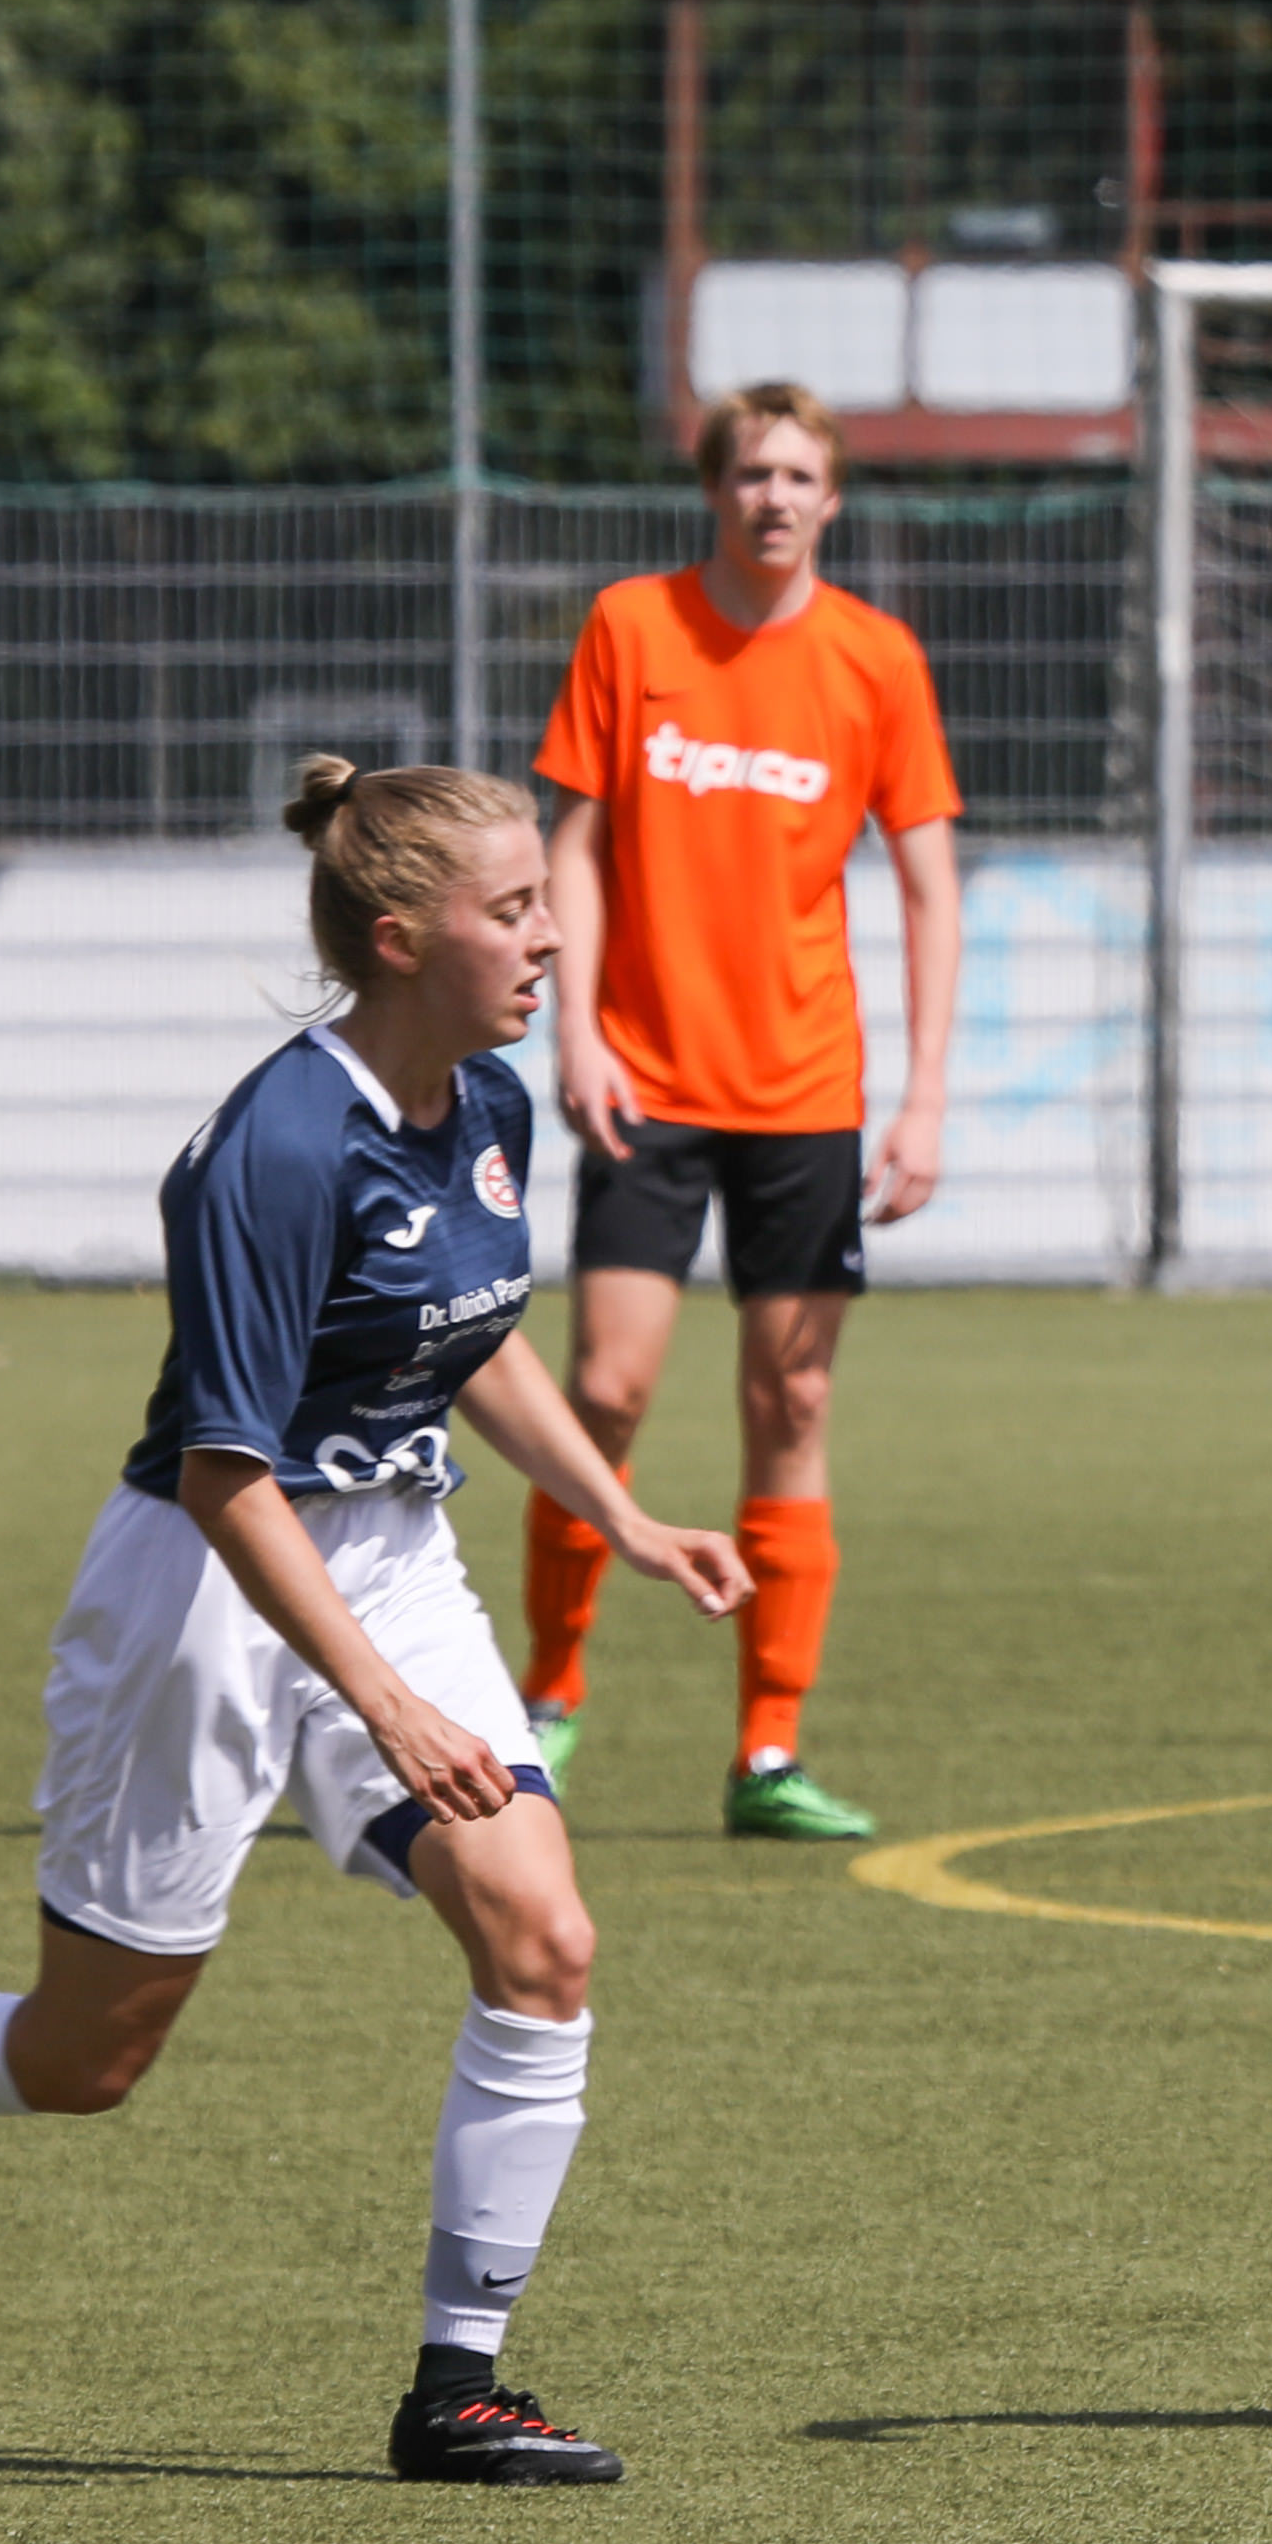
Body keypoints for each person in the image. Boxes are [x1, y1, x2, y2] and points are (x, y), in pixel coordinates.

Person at [0, 762, 751, 2484]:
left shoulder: (487, 1099)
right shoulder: (274, 1149)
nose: (552, 936)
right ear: (400, 936)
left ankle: (458, 2385)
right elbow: (231, 1476)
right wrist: (384, 1707)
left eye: (547, 900)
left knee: (544, 1938)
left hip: (390, 1556)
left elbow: (470, 1336)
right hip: (204, 1592)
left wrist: (623, 1513)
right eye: (515, 907)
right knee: (85, 2056)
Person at [518, 379, 965, 1840]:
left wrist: (923, 1096)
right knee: (607, 1388)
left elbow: (928, 884)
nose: (774, 497)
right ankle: (548, 1696)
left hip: (803, 1091)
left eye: (798, 476)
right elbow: (572, 843)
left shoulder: (876, 658)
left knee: (795, 1401)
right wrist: (577, 1028)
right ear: (713, 489)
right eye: (751, 473)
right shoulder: (631, 628)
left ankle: (767, 1752)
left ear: (832, 500)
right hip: (645, 1078)